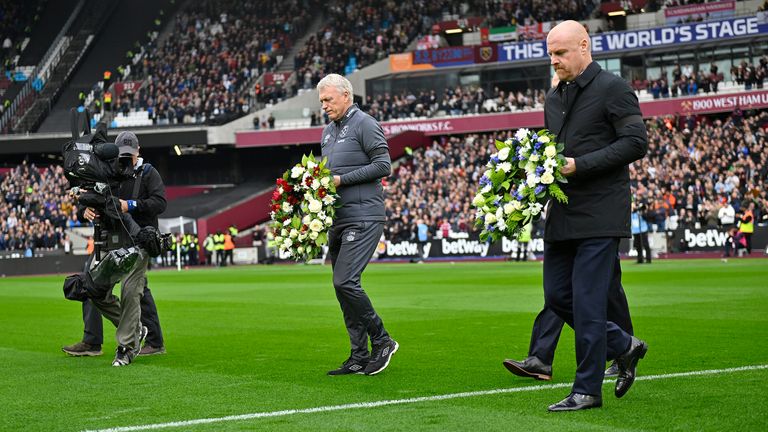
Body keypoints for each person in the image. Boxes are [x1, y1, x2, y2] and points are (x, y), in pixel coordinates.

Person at [539, 21, 648, 411]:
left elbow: (636, 143)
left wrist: (579, 165)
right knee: (556, 295)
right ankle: (623, 344)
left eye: (561, 53)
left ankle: (586, 390)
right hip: (562, 213)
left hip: (601, 211)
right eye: (550, 53)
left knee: (587, 302)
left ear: (584, 46)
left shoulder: (613, 87)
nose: (554, 60)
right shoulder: (554, 97)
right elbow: (550, 158)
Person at [62, 131, 168, 364]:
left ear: (138, 151)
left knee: (135, 291)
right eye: (122, 155)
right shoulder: (109, 172)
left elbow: (160, 203)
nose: (126, 160)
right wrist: (85, 210)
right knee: (92, 283)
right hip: (110, 237)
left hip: (139, 238)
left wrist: (129, 205)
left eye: (129, 155)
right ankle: (93, 340)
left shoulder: (148, 172)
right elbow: (97, 198)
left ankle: (152, 340)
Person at [318, 73, 398, 376]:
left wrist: (339, 180)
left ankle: (382, 340)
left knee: (345, 281)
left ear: (346, 95)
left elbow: (383, 165)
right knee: (342, 290)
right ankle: (357, 356)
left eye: (329, 99)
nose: (324, 105)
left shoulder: (365, 123)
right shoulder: (327, 132)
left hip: (364, 216)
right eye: (322, 101)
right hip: (339, 217)